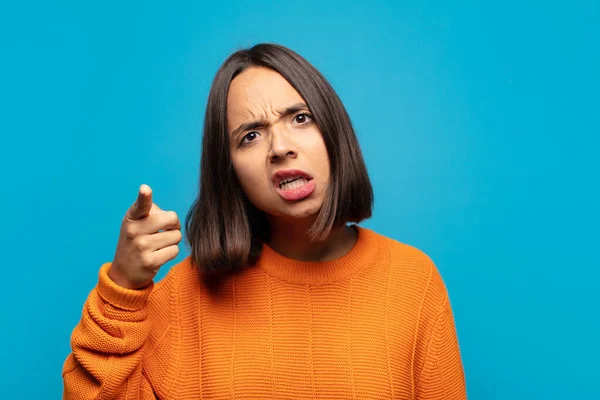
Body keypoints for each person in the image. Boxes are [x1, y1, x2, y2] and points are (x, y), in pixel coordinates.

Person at [62, 43, 466, 399]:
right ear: (230, 170)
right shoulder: (183, 297)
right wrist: (122, 289)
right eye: (250, 135)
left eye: (300, 118)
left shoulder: (414, 281)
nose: (280, 147)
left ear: (335, 131)